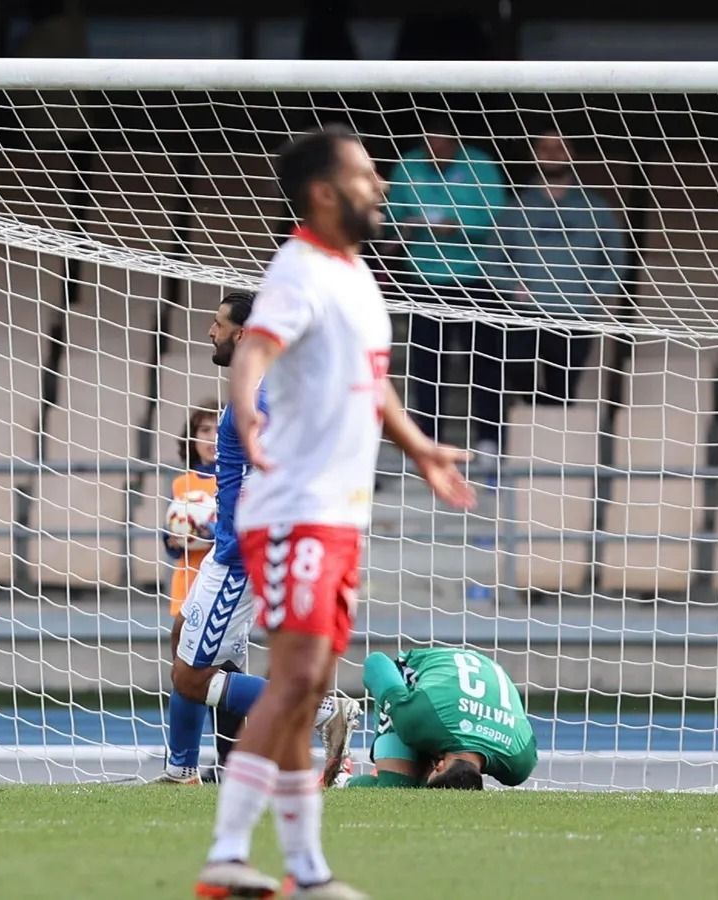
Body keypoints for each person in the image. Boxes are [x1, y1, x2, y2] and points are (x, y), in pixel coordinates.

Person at [195, 125, 476, 900]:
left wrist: (420, 449)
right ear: (324, 193)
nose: (381, 185)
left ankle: (307, 869)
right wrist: (244, 409)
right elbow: (254, 349)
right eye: (364, 174)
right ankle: (226, 853)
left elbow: (371, 382)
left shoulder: (355, 275)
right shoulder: (300, 270)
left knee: (309, 684)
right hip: (296, 511)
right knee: (294, 682)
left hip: (338, 515)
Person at [160, 294, 361, 789]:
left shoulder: (262, 397)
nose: (210, 332)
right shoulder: (261, 388)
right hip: (229, 550)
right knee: (183, 636)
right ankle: (181, 771)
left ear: (244, 334)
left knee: (191, 677)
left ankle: (323, 711)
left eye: (218, 323)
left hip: (240, 558)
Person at [387, 114, 512, 456]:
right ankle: (428, 440)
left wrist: (457, 225)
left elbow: (497, 216)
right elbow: (393, 217)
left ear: (455, 142)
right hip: (424, 279)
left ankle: (489, 440)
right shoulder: (407, 166)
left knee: (483, 361)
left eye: (441, 144)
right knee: (427, 364)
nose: (434, 151)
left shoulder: (480, 165)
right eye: (428, 144)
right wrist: (406, 225)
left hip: (475, 277)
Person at [485, 128, 624, 406]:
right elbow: (490, 259)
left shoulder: (595, 207)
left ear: (572, 154)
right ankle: (535, 410)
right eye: (544, 148)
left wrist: (595, 293)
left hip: (574, 316)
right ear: (533, 155)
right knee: (516, 371)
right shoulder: (516, 208)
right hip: (526, 314)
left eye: (560, 147)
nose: (552, 154)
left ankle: (550, 422)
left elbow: (617, 259)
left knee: (563, 390)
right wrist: (511, 287)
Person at [339, 647, 537, 789]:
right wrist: (393, 700)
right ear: (440, 766)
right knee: (397, 786)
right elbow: (376, 662)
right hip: (416, 691)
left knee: (417, 778)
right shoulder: (416, 720)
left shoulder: (520, 764)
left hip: (476, 677)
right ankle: (339, 779)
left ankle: (403, 764)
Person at [165, 406, 218, 621]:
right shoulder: (180, 484)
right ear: (192, 438)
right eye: (205, 430)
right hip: (187, 580)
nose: (213, 438)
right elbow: (170, 538)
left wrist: (211, 533)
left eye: (219, 430)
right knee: (179, 636)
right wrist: (173, 539)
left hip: (219, 582)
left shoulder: (235, 482)